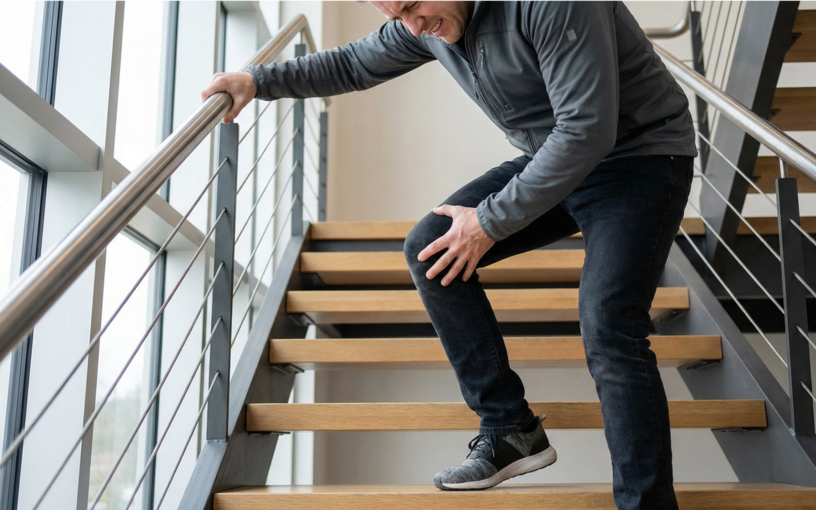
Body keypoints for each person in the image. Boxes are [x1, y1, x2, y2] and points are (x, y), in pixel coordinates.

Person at [202, 0, 697, 508]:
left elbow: (587, 128)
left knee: (610, 324)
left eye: (414, 6)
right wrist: (257, 81)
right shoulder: (423, 23)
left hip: (642, 158)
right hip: (554, 156)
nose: (415, 27)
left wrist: (486, 222)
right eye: (398, 17)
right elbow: (352, 63)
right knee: (430, 250)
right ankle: (510, 428)